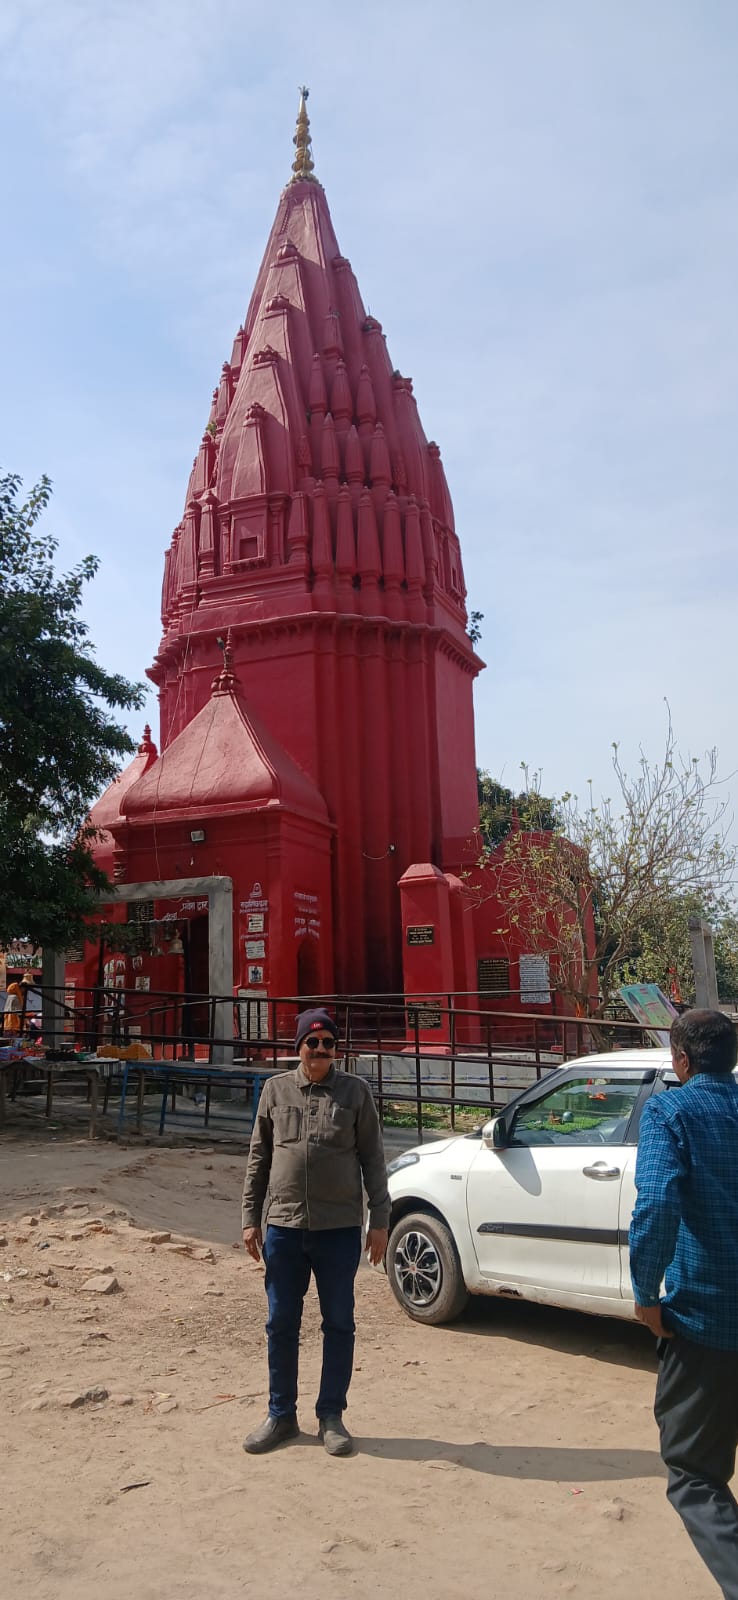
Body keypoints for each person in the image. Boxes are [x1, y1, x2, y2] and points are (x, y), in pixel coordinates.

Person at [241, 1006, 390, 1457]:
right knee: (280, 1322)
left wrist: (379, 1220)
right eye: (312, 1042)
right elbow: (258, 1158)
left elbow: (373, 1159)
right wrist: (250, 1218)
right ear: (299, 1046)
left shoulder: (355, 1093)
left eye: (328, 1043)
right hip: (284, 1228)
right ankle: (280, 1414)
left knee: (339, 1324)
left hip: (339, 1229)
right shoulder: (275, 1090)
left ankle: (331, 1416)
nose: (321, 1050)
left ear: (335, 1048)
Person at [629, 1008, 738, 1599]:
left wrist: (647, 1297)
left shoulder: (672, 1110)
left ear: (681, 1061)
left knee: (694, 1475)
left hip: (705, 1323)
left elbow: (655, 1209)